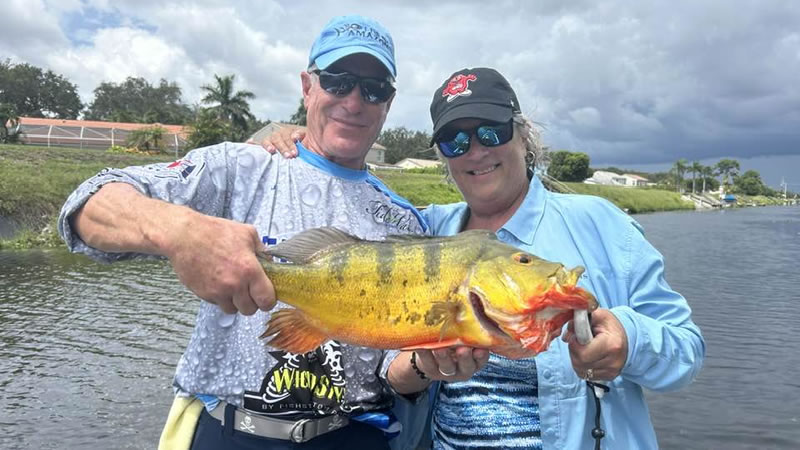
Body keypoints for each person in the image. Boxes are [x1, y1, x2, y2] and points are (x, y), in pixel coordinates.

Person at [57, 15, 480, 450]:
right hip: (229, 433)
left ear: (388, 103)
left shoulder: (404, 222)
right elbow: (86, 206)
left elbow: (392, 371)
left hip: (352, 436)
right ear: (308, 87)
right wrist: (181, 231)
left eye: (373, 89)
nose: (354, 102)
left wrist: (429, 364)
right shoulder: (239, 167)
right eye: (338, 82)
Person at [260, 67, 706, 449]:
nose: (475, 151)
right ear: (443, 156)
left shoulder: (601, 224)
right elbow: (390, 366)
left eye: (491, 131)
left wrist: (630, 341)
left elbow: (686, 351)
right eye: (454, 141)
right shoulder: (425, 228)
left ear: (523, 136)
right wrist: (299, 142)